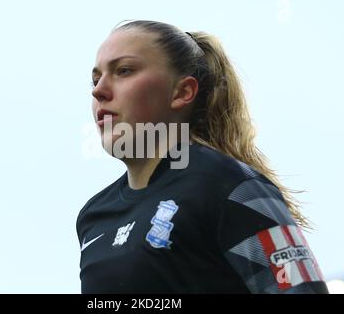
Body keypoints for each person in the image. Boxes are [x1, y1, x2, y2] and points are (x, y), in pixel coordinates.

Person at [76, 19, 329, 294]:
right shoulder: (94, 216)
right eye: (95, 78)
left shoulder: (228, 185)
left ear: (182, 92)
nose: (98, 90)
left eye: (124, 70)